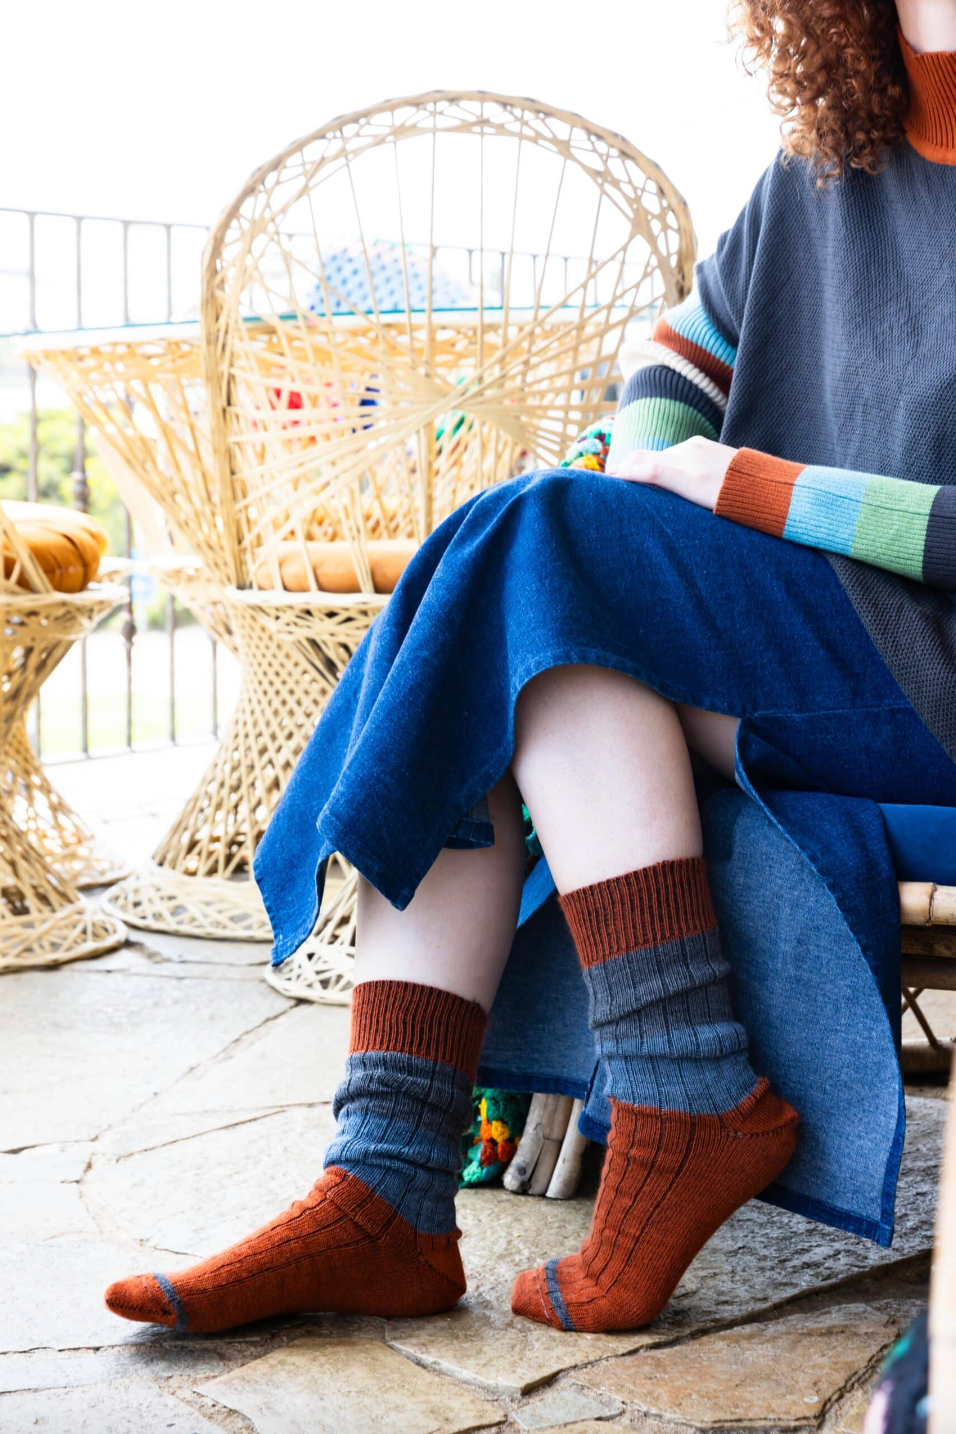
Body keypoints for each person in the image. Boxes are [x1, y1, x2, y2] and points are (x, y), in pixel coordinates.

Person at [104, 0, 956, 1336]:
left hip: (934, 680)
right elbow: (677, 355)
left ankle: (441, 1158)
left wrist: (749, 485)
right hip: (813, 662)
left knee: (526, 546)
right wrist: (653, 457)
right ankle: (412, 1176)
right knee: (529, 610)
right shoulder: (819, 170)